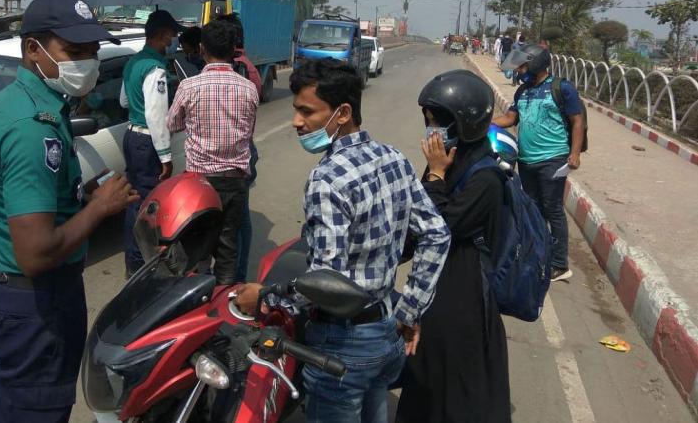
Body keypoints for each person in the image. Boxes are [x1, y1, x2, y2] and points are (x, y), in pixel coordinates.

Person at [235, 59, 451, 423]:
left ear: (343, 113)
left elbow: (325, 282)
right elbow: (437, 234)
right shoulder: (393, 158)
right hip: (386, 331)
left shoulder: (327, 180)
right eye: (295, 110)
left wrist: (265, 295)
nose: (296, 122)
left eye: (307, 111)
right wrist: (409, 311)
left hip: (344, 344)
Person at [0, 0, 140, 422]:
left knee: (24, 403)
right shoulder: (32, 128)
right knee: (38, 409)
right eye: (74, 51)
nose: (88, 63)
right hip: (35, 303)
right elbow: (35, 252)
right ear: (33, 49)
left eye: (93, 52)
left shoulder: (38, 106)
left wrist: (79, 196)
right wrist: (101, 208)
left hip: (24, 296)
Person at [396, 70, 511, 423]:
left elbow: (440, 227)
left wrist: (434, 175)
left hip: (463, 289)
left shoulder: (487, 178)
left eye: (440, 122)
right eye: (429, 121)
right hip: (436, 282)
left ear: (466, 123)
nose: (433, 131)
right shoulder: (449, 160)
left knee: (456, 375)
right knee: (425, 369)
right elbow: (415, 221)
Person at [166, 20, 259, 285]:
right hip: (234, 180)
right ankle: (224, 300)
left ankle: (196, 300)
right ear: (233, 50)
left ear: (202, 49)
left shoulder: (189, 86)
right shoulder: (248, 88)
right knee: (228, 245)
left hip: (199, 181)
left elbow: (172, 124)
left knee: (196, 245)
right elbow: (248, 132)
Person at [493, 44, 584, 282]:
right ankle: (538, 255)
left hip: (553, 159)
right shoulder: (522, 91)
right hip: (526, 159)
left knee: (553, 209)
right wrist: (485, 123)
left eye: (523, 65)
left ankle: (559, 264)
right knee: (533, 209)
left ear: (535, 63)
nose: (520, 70)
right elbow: (510, 118)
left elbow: (577, 122)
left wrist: (575, 154)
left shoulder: (561, 88)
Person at [120, 10, 184, 275]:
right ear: (162, 34)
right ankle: (143, 268)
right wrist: (166, 156)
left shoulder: (133, 62)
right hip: (147, 141)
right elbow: (156, 116)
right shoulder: (155, 67)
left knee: (134, 200)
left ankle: (133, 262)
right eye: (171, 34)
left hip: (132, 136)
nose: (174, 39)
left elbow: (124, 101)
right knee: (148, 206)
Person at [215, 12, 263, 282]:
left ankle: (234, 277)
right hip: (242, 152)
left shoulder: (240, 71)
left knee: (236, 221)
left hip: (234, 155)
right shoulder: (248, 70)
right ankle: (235, 275)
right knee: (238, 219)